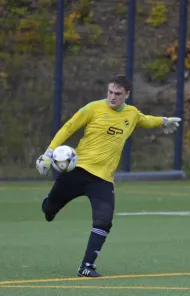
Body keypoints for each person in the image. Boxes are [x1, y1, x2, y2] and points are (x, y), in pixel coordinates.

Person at [36, 74, 181, 278]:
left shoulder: (131, 114)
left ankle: (86, 266)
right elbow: (69, 127)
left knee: (104, 221)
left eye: (118, 94)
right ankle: (48, 205)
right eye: (110, 92)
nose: (112, 97)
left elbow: (145, 120)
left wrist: (163, 121)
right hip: (77, 171)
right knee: (49, 209)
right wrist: (49, 153)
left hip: (102, 180)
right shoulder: (93, 108)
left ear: (127, 95)